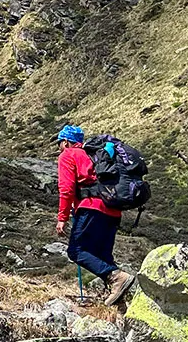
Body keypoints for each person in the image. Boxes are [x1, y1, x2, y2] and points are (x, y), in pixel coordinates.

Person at [56, 125, 136, 306]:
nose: (59, 148)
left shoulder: (68, 155)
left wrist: (62, 218)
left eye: (59, 143)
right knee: (103, 255)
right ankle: (119, 302)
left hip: (91, 207)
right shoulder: (95, 155)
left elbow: (66, 190)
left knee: (76, 251)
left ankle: (117, 279)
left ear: (66, 142)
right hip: (113, 210)